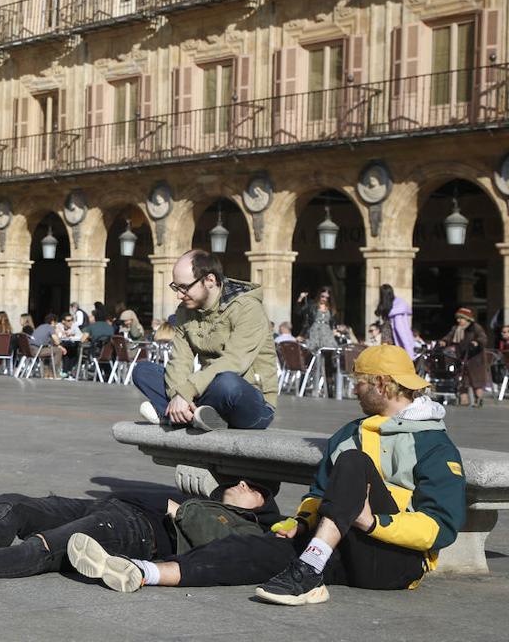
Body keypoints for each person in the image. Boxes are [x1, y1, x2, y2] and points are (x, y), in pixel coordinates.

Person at [254, 344, 465, 604]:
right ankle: (187, 569)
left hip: (396, 564)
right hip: (343, 549)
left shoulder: (434, 445)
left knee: (354, 461)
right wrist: (301, 521)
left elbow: (441, 527)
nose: (354, 390)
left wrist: (372, 522)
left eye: (359, 383)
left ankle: (310, 565)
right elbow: (319, 493)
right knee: (253, 552)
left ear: (381, 384)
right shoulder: (347, 434)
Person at [0, 477, 278, 582]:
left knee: (46, 546)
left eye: (253, 489)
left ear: (262, 505)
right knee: (15, 502)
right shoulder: (225, 506)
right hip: (108, 508)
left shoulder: (248, 530)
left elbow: (205, 535)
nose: (243, 486)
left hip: (134, 530)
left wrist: (179, 507)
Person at [133, 249, 277, 431]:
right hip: (206, 392)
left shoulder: (248, 308)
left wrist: (186, 393)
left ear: (209, 280)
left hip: (252, 401)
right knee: (143, 371)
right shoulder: (184, 311)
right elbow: (179, 362)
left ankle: (173, 414)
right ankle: (195, 415)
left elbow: (235, 362)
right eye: (176, 287)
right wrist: (179, 395)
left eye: (184, 287)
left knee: (227, 383)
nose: (179, 294)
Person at [446, 307, 489, 407]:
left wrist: (476, 342)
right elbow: (449, 337)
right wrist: (444, 341)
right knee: (462, 380)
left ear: (467, 319)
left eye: (461, 318)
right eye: (458, 318)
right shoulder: (456, 329)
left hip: (475, 359)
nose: (458, 320)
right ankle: (464, 400)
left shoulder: (475, 327)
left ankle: (478, 399)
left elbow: (483, 338)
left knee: (476, 381)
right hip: (461, 357)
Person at [375, 283, 414, 354]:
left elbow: (400, 329)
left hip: (388, 336)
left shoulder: (395, 307)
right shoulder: (395, 306)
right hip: (390, 336)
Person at [53, 312, 83, 377]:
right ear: (63, 321)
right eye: (69, 320)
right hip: (60, 344)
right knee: (67, 348)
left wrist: (72, 334)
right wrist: (64, 333)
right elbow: (58, 335)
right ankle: (66, 370)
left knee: (74, 347)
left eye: (72, 320)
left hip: (71, 344)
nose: (71, 322)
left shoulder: (74, 326)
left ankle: (69, 370)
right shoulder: (59, 325)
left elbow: (80, 335)